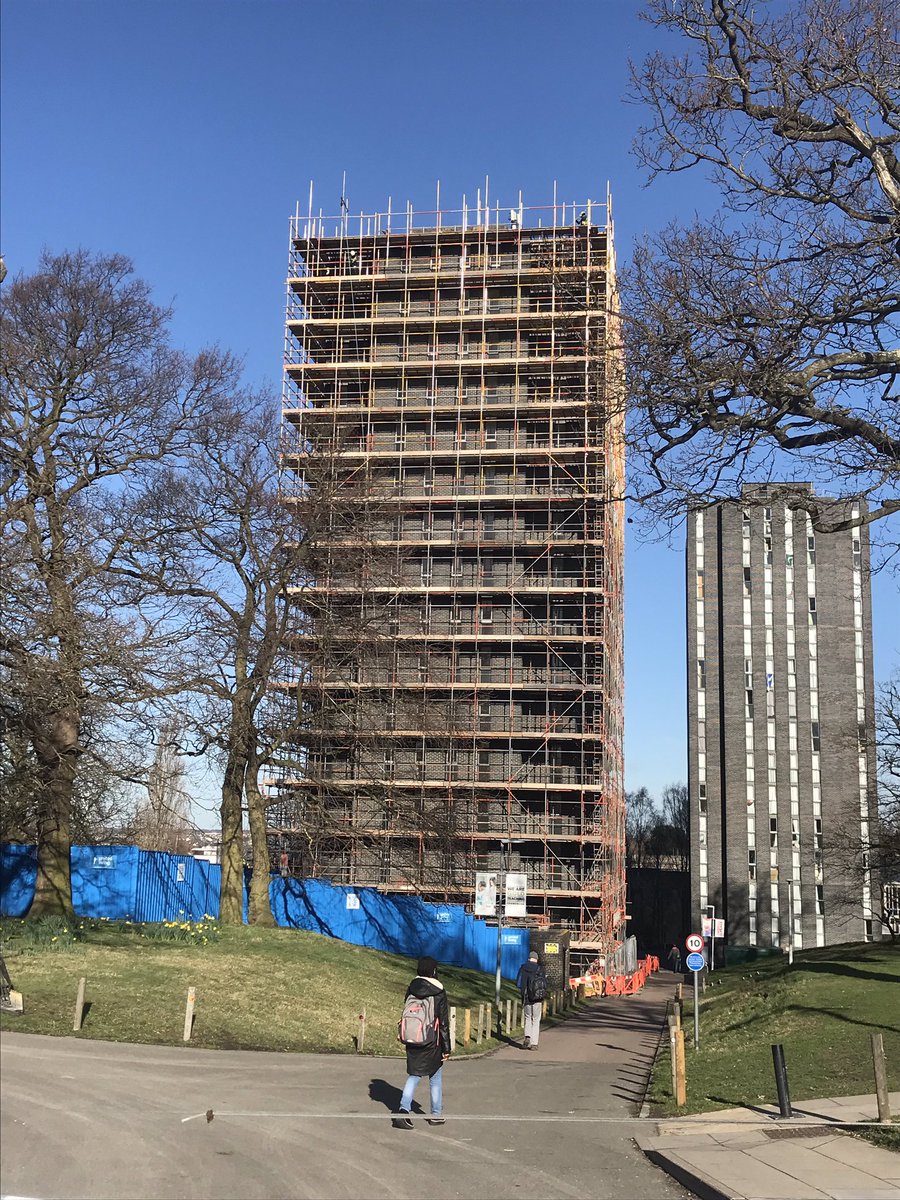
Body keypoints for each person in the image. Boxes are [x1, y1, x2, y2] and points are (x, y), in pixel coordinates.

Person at [394, 956, 451, 1129]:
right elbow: (443, 1022)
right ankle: (436, 1114)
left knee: (414, 1074)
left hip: (412, 1037)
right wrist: (447, 1048)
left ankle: (403, 1110)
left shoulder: (411, 988)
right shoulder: (439, 991)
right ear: (434, 971)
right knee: (435, 1077)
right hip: (431, 1040)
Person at [516, 951, 548, 1051]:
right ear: (536, 959)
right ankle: (534, 1044)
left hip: (526, 997)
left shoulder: (523, 968)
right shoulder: (540, 969)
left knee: (527, 1018)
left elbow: (518, 983)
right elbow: (544, 984)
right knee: (536, 1019)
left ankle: (527, 1037)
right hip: (537, 998)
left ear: (529, 958)